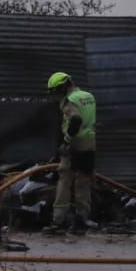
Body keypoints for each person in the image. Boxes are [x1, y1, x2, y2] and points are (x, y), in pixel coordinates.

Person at [47, 72, 97, 232]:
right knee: (84, 181)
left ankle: (59, 220)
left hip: (74, 144)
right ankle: (82, 219)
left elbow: (75, 120)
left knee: (65, 179)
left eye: (56, 91)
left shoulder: (70, 100)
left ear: (62, 87)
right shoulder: (88, 96)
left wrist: (67, 140)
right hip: (89, 142)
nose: (56, 95)